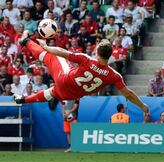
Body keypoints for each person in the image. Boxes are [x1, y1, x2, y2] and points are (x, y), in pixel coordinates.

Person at [14, 31, 149, 115]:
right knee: (52, 92)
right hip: (71, 94)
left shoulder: (87, 60)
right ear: (110, 55)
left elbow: (62, 52)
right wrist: (142, 106)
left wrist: (46, 47)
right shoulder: (114, 75)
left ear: (96, 52)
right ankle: (23, 99)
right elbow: (128, 94)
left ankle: (25, 41)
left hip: (64, 80)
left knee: (53, 56)